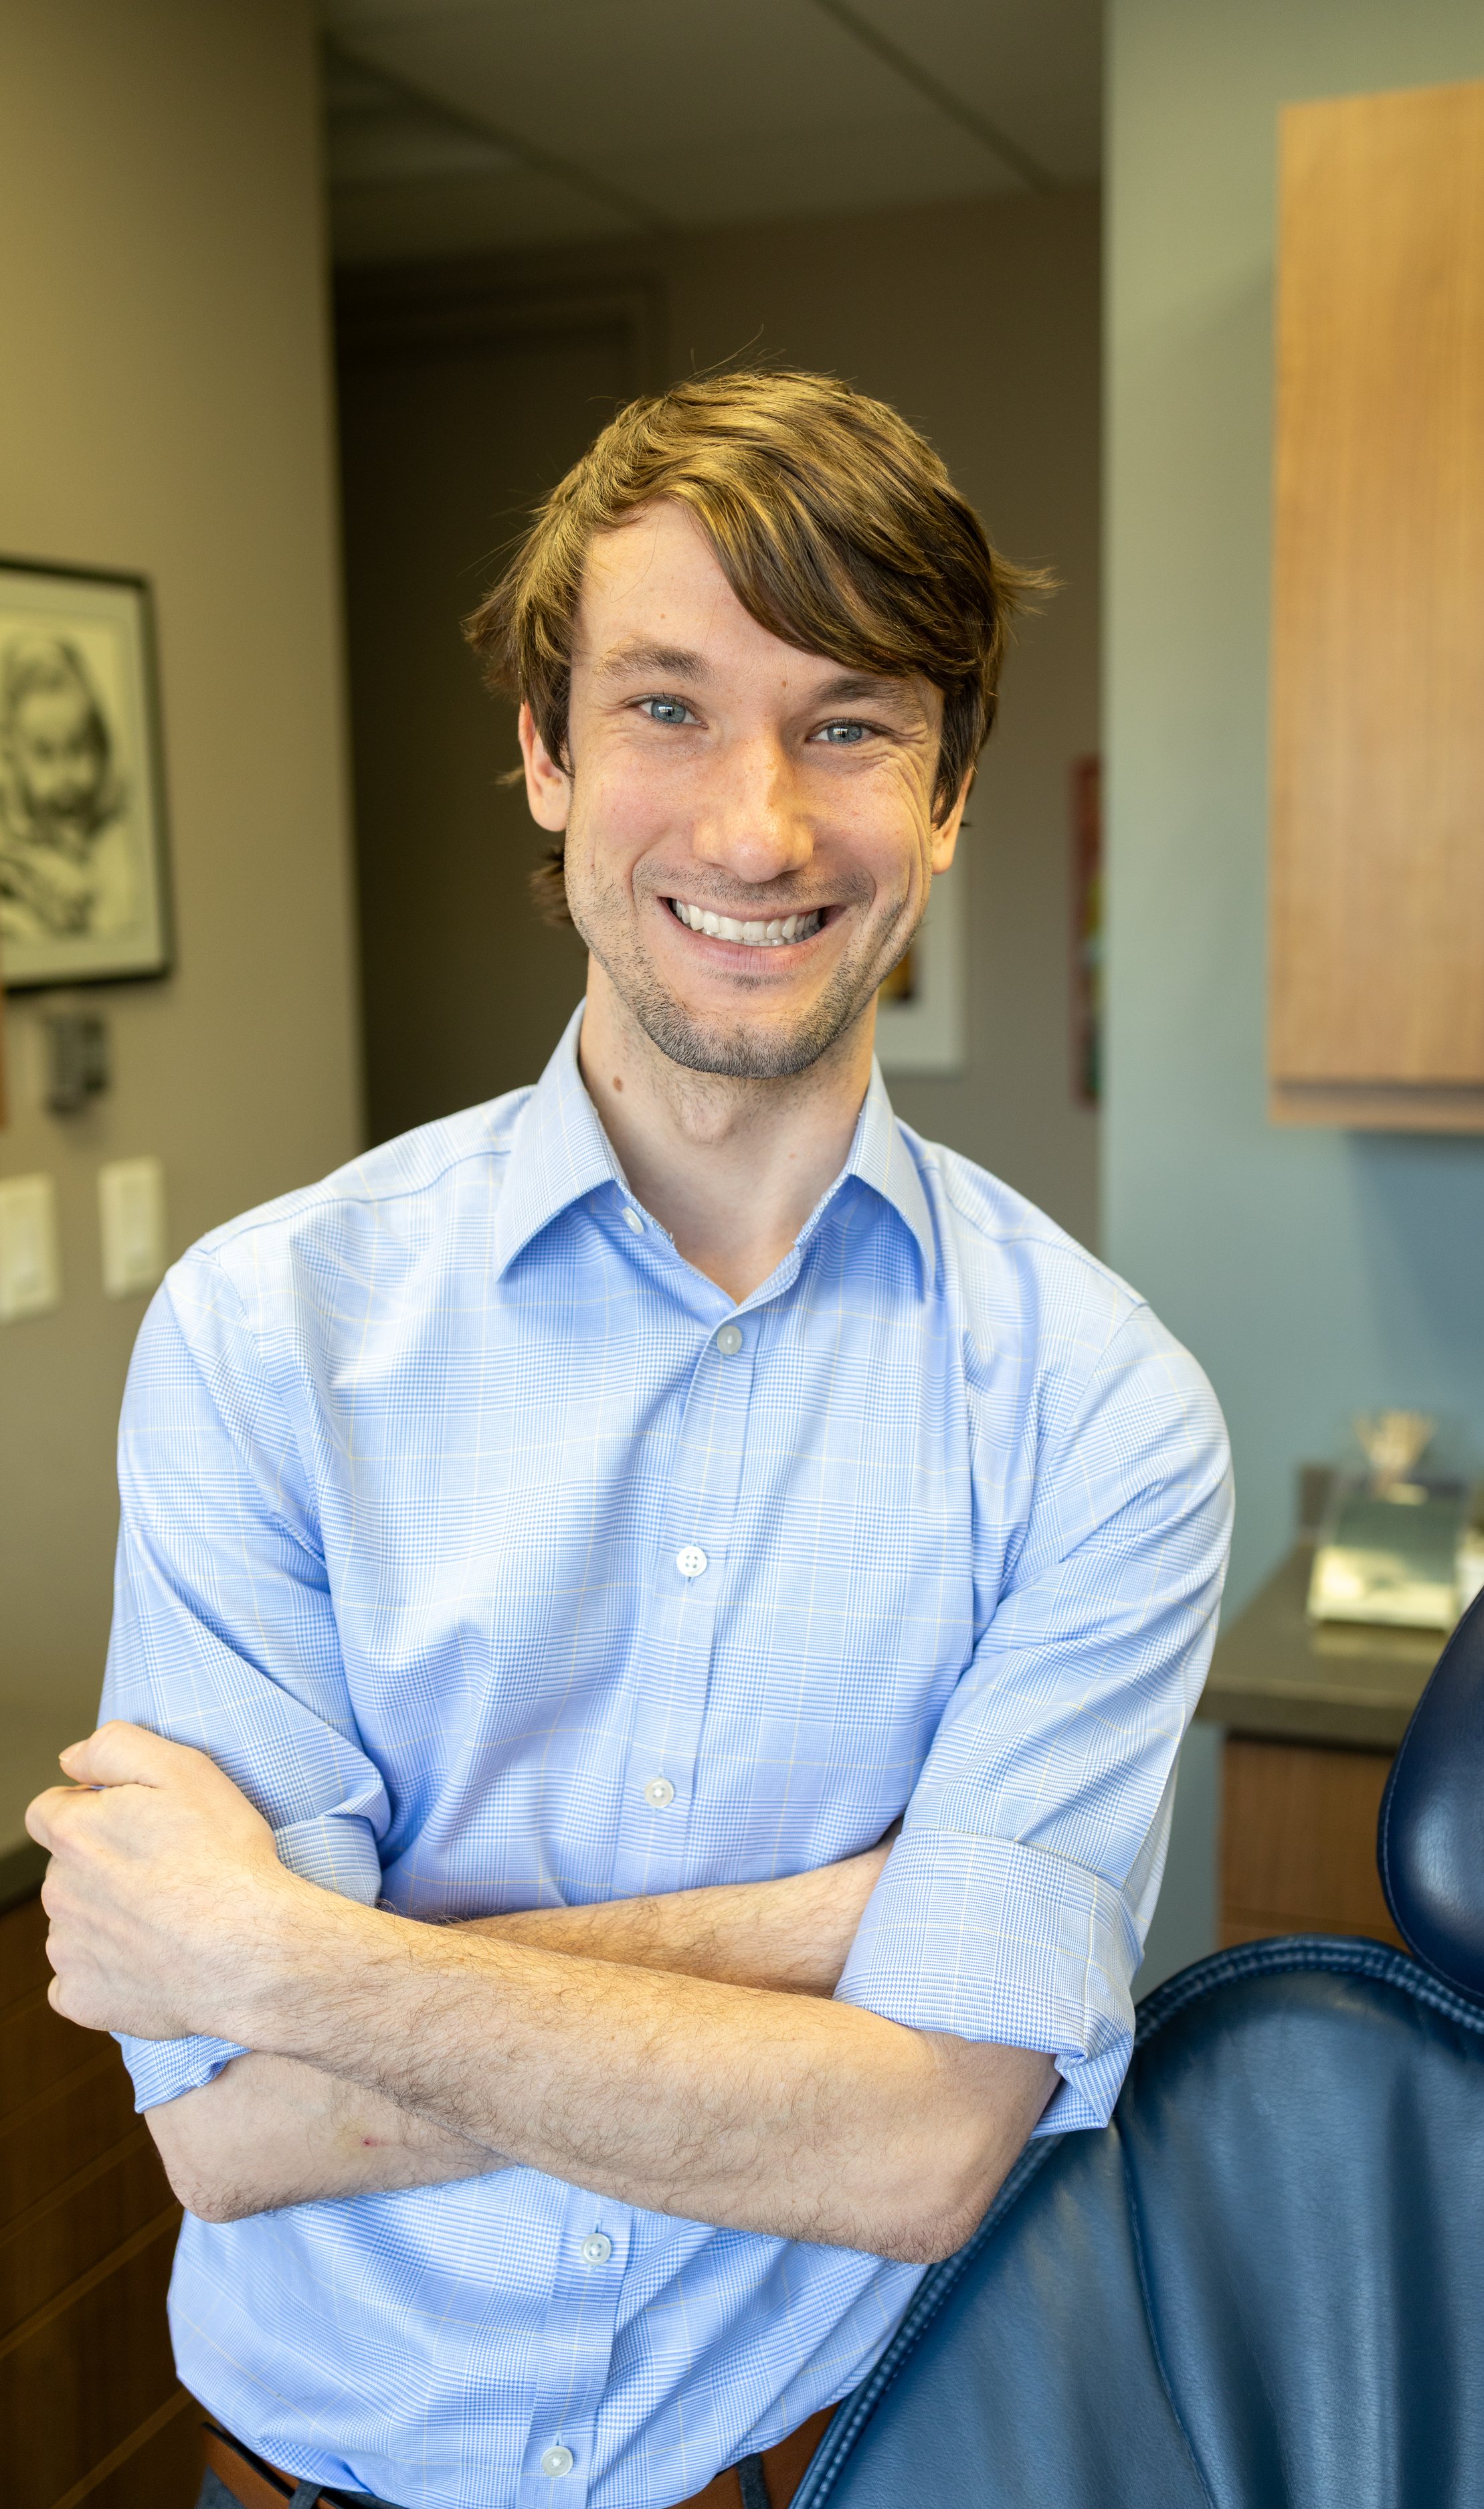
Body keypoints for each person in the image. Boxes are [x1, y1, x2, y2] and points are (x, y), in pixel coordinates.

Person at [29, 371, 1231, 2509]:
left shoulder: (1101, 1410)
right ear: (542, 755)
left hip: (827, 2471)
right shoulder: (261, 1333)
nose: (756, 827)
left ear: (947, 790)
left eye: (848, 721)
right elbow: (235, 2128)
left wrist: (288, 1954)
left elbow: (918, 2146)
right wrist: (841, 1926)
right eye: (665, 707)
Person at [0, 632, 134, 943]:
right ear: (12, 761)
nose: (66, 777)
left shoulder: (118, 839)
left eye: (78, 749)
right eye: (44, 754)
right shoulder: (11, 852)